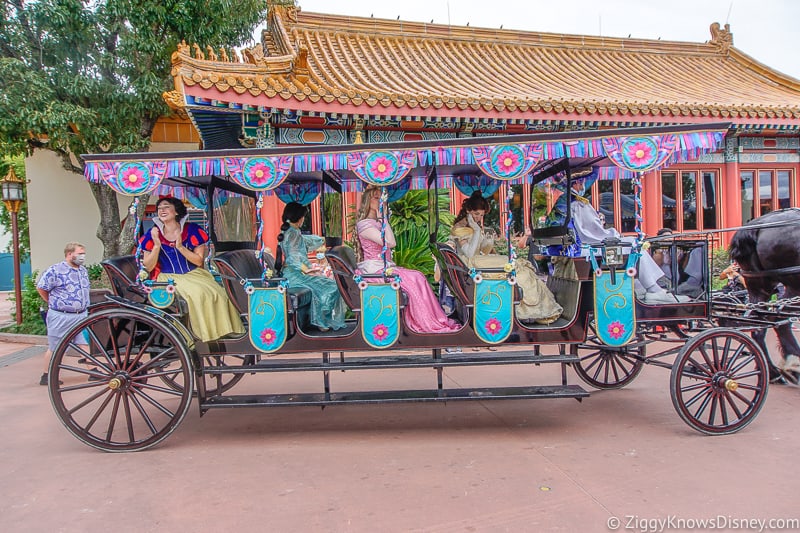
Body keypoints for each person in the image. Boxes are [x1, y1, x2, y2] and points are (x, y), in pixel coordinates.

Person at [549, 167, 688, 304]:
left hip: (576, 248)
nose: (583, 185)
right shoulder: (577, 203)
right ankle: (653, 289)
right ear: (576, 184)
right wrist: (615, 234)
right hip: (585, 249)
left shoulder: (564, 202)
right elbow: (594, 233)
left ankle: (642, 288)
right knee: (635, 245)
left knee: (631, 246)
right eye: (581, 182)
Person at [355, 187, 459, 334]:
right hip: (375, 270)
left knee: (418, 276)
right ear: (367, 201)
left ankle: (432, 318)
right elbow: (391, 243)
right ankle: (425, 322)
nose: (380, 201)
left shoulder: (376, 222)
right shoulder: (365, 224)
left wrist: (383, 219)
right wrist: (384, 218)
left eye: (381, 198)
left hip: (385, 267)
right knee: (416, 277)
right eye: (376, 198)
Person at [140, 197, 244, 342]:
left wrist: (180, 247)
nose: (162, 210)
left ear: (176, 211)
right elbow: (148, 266)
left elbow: (198, 260)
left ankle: (224, 331)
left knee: (218, 292)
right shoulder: (152, 234)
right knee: (197, 293)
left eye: (166, 207)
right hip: (167, 277)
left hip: (193, 273)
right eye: (159, 208)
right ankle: (202, 335)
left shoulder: (192, 230)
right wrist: (157, 245)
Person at [449, 191, 563, 324]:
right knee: (513, 264)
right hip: (469, 264)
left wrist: (487, 242)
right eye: (476, 214)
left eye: (481, 215)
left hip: (478, 261)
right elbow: (469, 253)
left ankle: (532, 305)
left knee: (514, 264)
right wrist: (478, 232)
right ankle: (528, 307)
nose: (478, 218)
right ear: (468, 210)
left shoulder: (474, 226)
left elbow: (483, 250)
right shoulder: (460, 227)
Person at [276, 202, 346, 331]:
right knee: (332, 286)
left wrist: (323, 239)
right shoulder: (293, 234)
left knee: (323, 283)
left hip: (293, 274)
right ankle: (321, 320)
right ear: (300, 218)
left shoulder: (292, 232)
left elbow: (307, 243)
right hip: (296, 276)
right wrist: (306, 269)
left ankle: (320, 320)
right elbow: (292, 257)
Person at [36, 242, 90, 385]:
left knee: (84, 343)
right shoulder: (55, 270)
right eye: (79, 253)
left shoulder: (82, 270)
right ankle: (47, 375)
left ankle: (94, 370)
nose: (82, 256)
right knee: (56, 346)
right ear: (69, 254)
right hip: (62, 315)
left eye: (83, 253)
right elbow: (42, 287)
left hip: (81, 314)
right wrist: (52, 302)